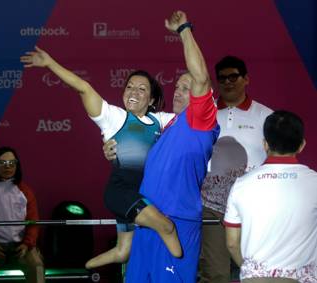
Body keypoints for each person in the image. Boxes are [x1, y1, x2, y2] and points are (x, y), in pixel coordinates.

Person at [20, 46, 183, 268]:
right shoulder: (113, 117)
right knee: (167, 227)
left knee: (124, 251)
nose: (133, 92)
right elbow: (84, 89)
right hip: (121, 192)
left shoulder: (160, 121)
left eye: (141, 89)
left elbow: (194, 117)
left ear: (152, 99)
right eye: (129, 87)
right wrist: (50, 63)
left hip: (143, 193)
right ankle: (180, 262)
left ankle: (91, 264)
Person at [125, 11, 219, 283]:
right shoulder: (167, 127)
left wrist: (184, 29)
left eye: (186, 87)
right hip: (148, 222)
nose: (178, 91)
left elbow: (201, 77)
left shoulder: (201, 121)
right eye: (177, 86)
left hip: (176, 224)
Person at [199, 56, 273, 283]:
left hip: (253, 207)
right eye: (222, 78)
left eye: (233, 76)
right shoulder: (204, 115)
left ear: (246, 79)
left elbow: (277, 158)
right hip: (211, 207)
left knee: (256, 273)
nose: (228, 82)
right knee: (216, 275)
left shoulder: (266, 116)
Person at [224, 110, 317, 283]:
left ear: (265, 144)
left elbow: (231, 243)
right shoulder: (314, 182)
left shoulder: (241, 185)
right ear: (302, 145)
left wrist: (251, 271)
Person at [0, 146, 45, 283]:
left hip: (21, 247)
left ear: (17, 165)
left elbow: (33, 223)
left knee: (37, 267)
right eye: (3, 163)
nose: (8, 167)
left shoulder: (26, 192)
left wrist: (27, 244)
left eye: (12, 163)